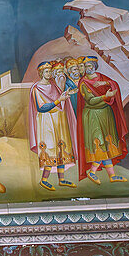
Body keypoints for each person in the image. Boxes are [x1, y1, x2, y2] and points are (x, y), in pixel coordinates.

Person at [76, 57, 128, 184]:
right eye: (86, 66)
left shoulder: (101, 77)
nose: (88, 68)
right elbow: (90, 100)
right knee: (98, 144)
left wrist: (105, 84)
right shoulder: (84, 83)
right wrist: (105, 96)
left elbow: (114, 84)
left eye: (90, 65)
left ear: (94, 66)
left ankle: (112, 175)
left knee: (107, 143)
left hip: (106, 113)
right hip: (93, 115)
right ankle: (92, 171)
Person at [28, 61, 78, 191]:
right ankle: (44, 180)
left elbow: (60, 103)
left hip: (58, 120)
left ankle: (62, 179)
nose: (49, 73)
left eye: (50, 71)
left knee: (61, 147)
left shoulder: (54, 86)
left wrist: (64, 97)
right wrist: (58, 101)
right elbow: (41, 107)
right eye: (46, 71)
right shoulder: (36, 88)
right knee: (49, 149)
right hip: (45, 122)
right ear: (41, 73)